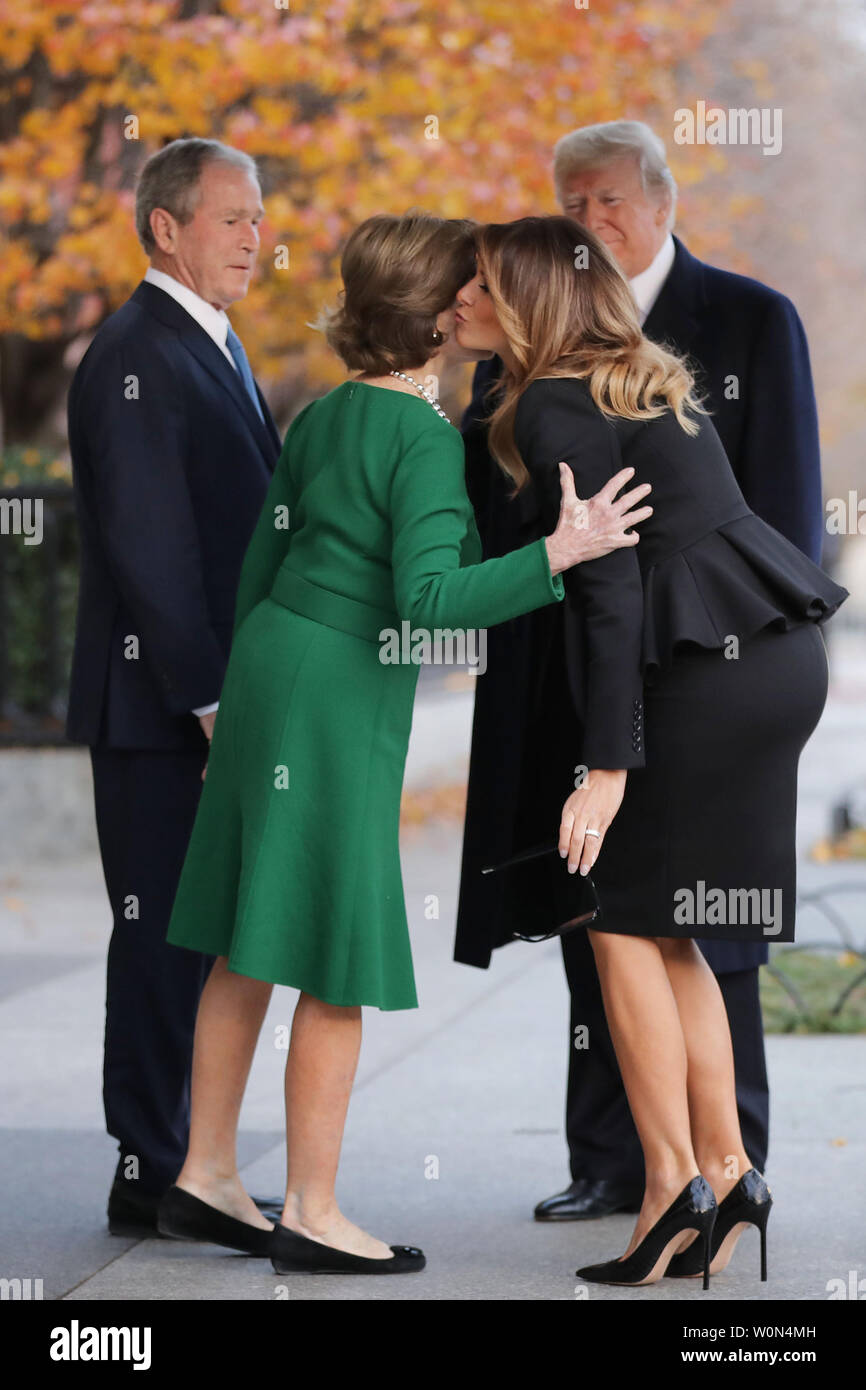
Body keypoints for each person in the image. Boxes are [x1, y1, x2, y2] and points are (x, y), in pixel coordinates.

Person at [157, 212, 653, 1277]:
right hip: (334, 694)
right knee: (333, 952)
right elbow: (429, 602)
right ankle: (315, 1210)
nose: (483, 300)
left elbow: (260, 559)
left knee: (247, 935)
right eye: (469, 286)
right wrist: (558, 554)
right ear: (436, 318)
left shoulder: (329, 414)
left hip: (267, 670)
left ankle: (202, 1172)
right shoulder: (419, 435)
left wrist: (232, 712)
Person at [452, 214, 846, 1286]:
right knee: (677, 929)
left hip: (702, 674)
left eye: (477, 287)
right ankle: (724, 1168)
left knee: (615, 918)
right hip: (766, 657)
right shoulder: (628, 377)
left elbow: (608, 592)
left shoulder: (548, 401)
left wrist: (605, 766)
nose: (457, 305)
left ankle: (676, 1186)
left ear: (527, 300)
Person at [66, 138, 285, 1235]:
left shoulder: (209, 342)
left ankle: (195, 1163)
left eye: (258, 217)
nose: (256, 236)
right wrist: (207, 702)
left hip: (208, 708)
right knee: (162, 940)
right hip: (164, 716)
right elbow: (151, 548)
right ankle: (152, 1169)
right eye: (233, 216)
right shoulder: (136, 352)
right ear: (166, 227)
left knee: (204, 939)